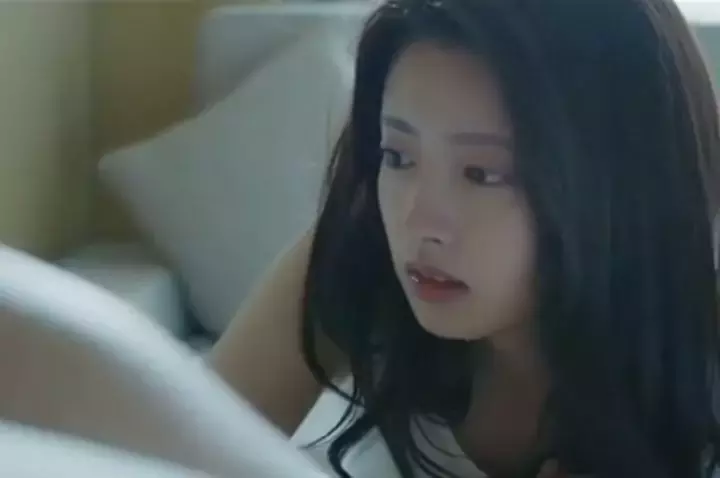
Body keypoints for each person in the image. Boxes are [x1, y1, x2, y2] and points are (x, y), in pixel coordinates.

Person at [210, 0, 720, 476]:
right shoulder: (356, 252)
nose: (418, 221)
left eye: (483, 173)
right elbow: (178, 458)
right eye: (398, 156)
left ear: (620, 188)